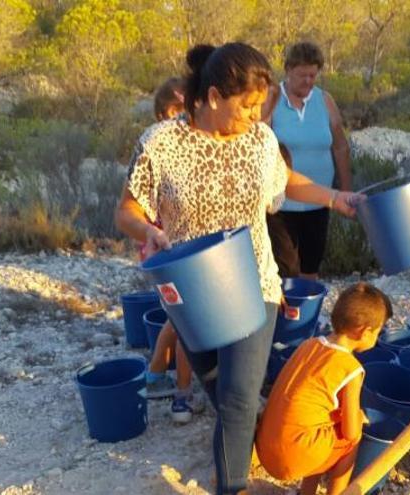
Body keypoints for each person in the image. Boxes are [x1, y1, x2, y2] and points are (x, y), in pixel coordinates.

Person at [115, 42, 360, 494]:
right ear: (212, 97)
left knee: (238, 395)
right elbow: (127, 209)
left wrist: (334, 197)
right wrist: (145, 230)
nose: (254, 116)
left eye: (258, 107)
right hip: (193, 289)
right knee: (218, 387)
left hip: (255, 281)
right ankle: (253, 434)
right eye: (246, 106)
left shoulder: (260, 140)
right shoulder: (162, 143)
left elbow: (289, 184)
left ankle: (233, 486)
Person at [256, 283, 391, 495]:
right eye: (378, 332)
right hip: (288, 458)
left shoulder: (308, 345)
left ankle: (306, 492)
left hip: (266, 447)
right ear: (365, 332)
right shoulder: (351, 370)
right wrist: (358, 415)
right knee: (350, 441)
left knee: (323, 427)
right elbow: (350, 431)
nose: (377, 337)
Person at [139, 76, 204, 424]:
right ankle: (182, 396)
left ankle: (153, 375)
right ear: (169, 111)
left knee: (176, 317)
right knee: (186, 323)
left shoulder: (160, 146)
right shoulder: (161, 149)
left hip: (160, 254)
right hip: (170, 253)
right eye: (184, 111)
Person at [263, 41, 353, 280]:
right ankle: (286, 314)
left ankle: (307, 314)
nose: (308, 81)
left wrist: (345, 190)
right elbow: (258, 143)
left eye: (313, 75)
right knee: (286, 268)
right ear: (288, 70)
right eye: (302, 75)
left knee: (311, 266)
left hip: (319, 200)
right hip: (281, 204)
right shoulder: (272, 102)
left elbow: (340, 146)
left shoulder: (325, 101)